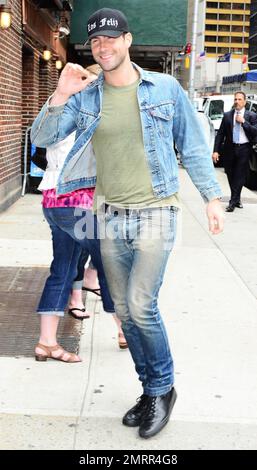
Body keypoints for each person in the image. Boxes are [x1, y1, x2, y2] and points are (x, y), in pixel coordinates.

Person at [31, 8, 224, 438]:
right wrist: (60, 93)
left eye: (111, 39)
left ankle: (162, 387)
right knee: (126, 313)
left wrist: (212, 197)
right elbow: (42, 138)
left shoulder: (166, 88)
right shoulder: (86, 96)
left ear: (128, 40)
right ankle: (151, 390)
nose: (104, 47)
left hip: (156, 211)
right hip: (108, 214)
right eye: (96, 41)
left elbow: (192, 145)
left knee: (140, 305)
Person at [212, 91, 257, 212]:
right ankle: (237, 199)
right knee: (231, 174)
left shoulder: (251, 116)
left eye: (239, 99)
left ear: (244, 102)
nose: (237, 102)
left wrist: (244, 122)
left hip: (244, 148)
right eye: (235, 99)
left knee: (240, 176)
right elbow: (220, 134)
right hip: (229, 149)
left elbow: (255, 131)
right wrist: (215, 151)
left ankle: (232, 202)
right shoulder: (227, 115)